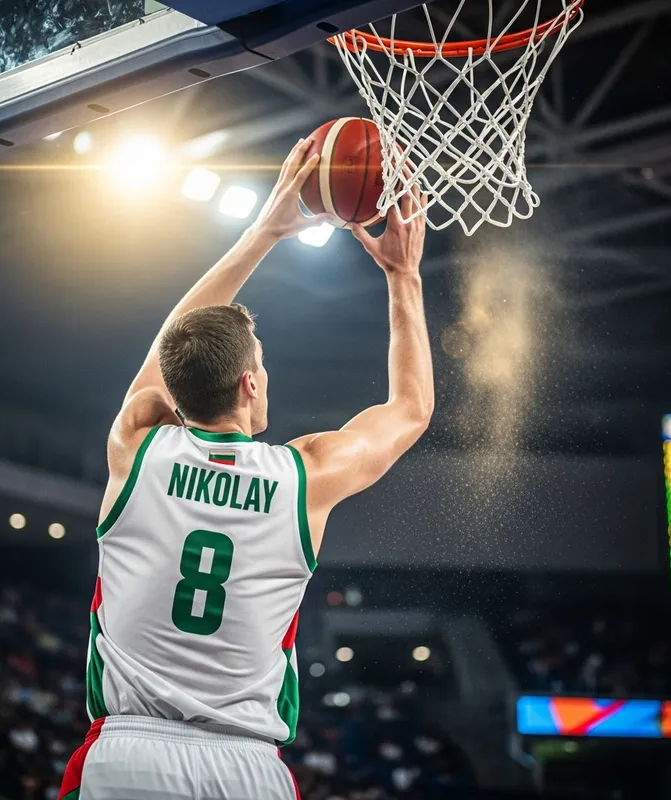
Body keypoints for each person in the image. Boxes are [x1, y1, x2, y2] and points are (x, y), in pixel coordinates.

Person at [58, 138, 434, 800]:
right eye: (260, 362)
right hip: (245, 768)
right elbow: (410, 410)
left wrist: (265, 231)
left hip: (126, 758)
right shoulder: (304, 477)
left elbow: (169, 343)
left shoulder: (137, 444)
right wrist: (404, 276)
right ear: (250, 386)